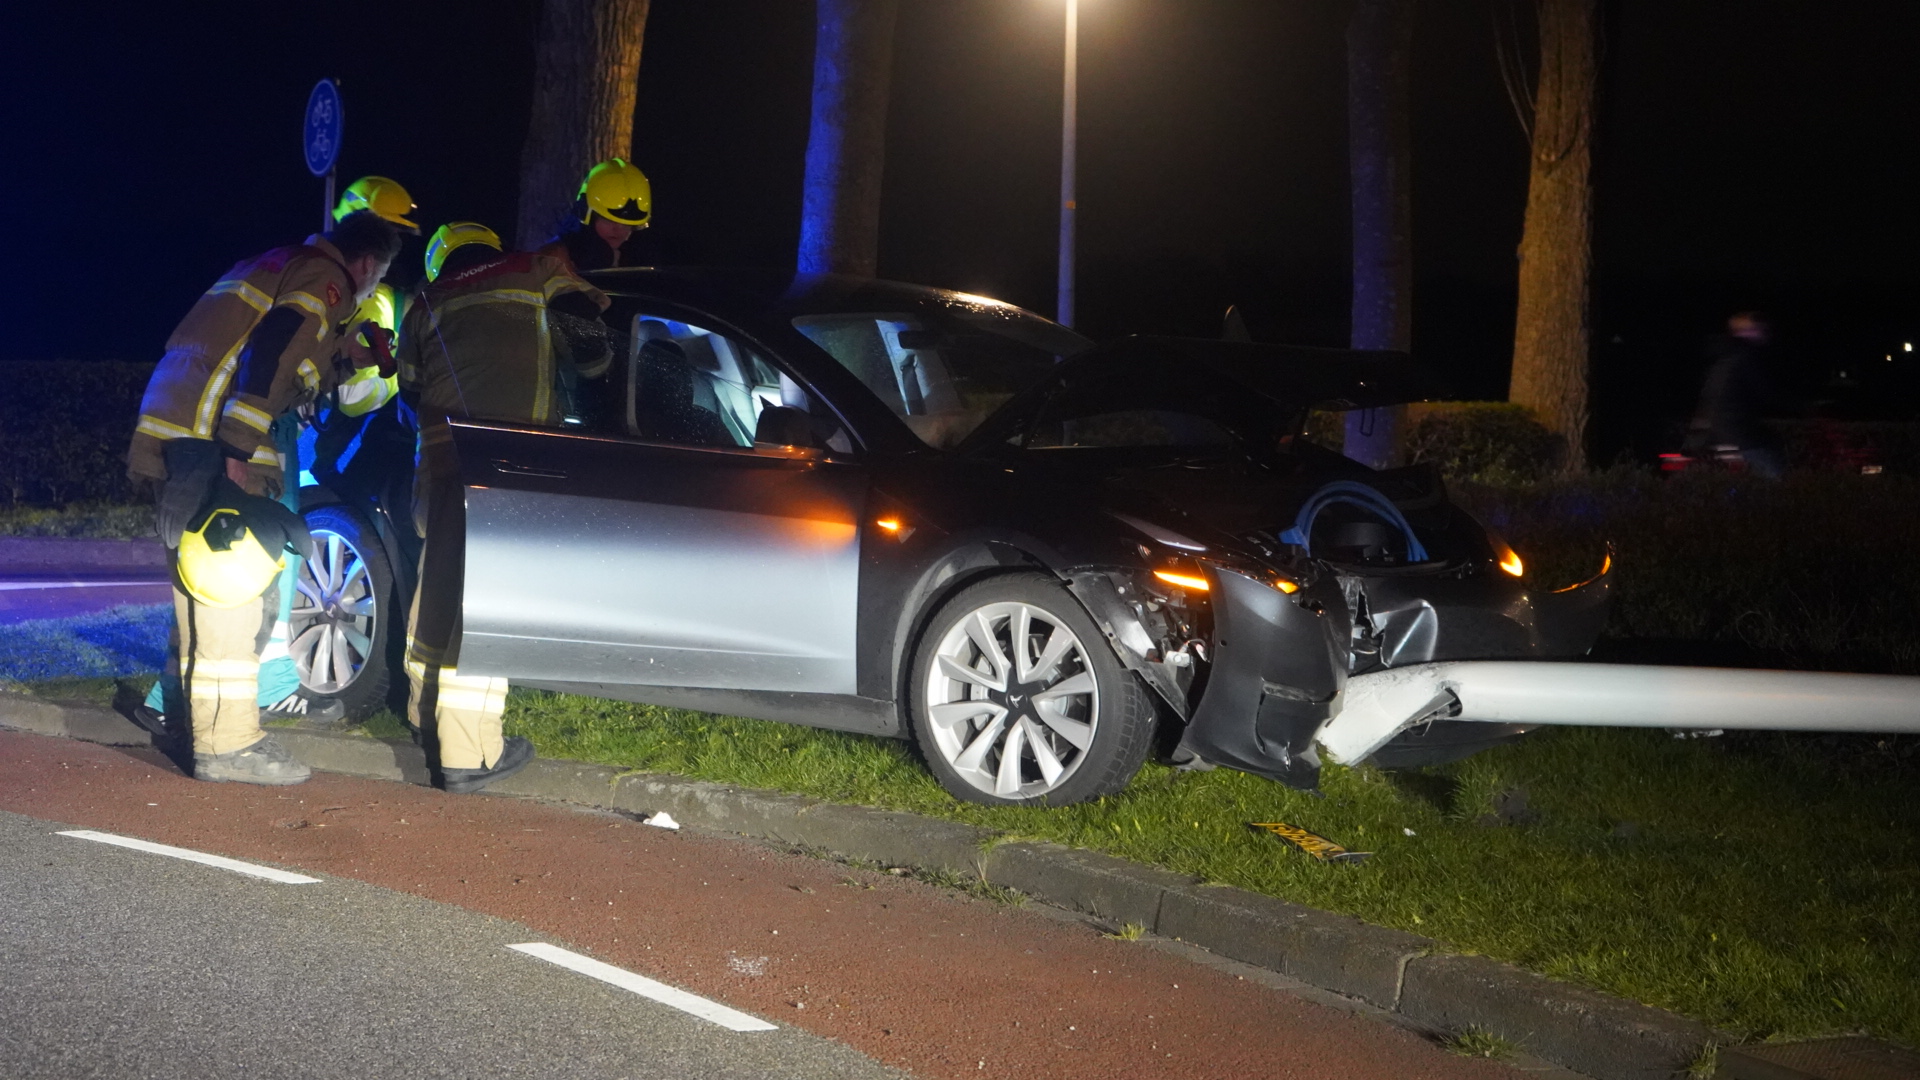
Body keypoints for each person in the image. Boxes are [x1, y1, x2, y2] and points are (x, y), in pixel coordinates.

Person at [128, 211, 402, 784]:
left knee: (198, 585)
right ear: (367, 265)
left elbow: (276, 350)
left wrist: (346, 356)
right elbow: (273, 353)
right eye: (377, 278)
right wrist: (237, 447)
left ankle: (190, 721)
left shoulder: (275, 263)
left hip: (176, 429)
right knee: (234, 591)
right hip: (214, 438)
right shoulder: (324, 282)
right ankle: (228, 745)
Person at [396, 221, 611, 793]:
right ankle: (470, 754)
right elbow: (586, 338)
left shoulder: (427, 299)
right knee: (488, 601)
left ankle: (423, 718)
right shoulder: (535, 271)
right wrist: (592, 375)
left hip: (441, 464)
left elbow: (410, 388)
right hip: (509, 460)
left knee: (437, 588)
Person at [1686, 311, 1784, 478]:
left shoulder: (1723, 359)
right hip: (1741, 436)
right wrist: (1802, 408)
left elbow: (1709, 401)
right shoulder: (1745, 358)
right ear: (1747, 331)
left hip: (1722, 436)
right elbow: (1766, 394)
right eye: (1758, 328)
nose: (1763, 332)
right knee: (1774, 473)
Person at [537, 157, 658, 274]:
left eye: (627, 223)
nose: (618, 229)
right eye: (608, 220)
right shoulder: (554, 258)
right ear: (586, 214)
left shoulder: (635, 260)